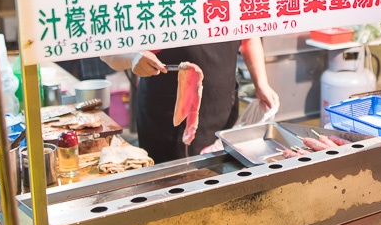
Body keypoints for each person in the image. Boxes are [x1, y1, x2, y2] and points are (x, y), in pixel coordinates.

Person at [102, 39, 279, 163]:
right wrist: (132, 57)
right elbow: (104, 47)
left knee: (222, 174)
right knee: (168, 188)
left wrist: (261, 83)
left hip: (222, 105)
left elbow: (249, 37)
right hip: (166, 112)